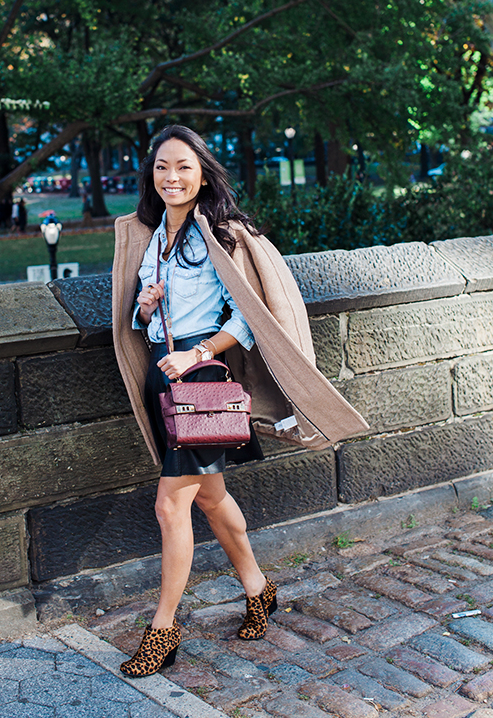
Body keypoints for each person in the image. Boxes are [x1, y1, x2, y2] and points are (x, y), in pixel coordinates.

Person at [111, 125, 367, 678]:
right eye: (161, 167)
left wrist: (197, 351)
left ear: (202, 170)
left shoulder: (220, 233)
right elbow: (144, 320)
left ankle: (163, 630)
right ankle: (259, 588)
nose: (171, 177)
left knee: (169, 506)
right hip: (165, 376)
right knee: (208, 498)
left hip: (201, 379)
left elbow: (251, 314)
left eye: (182, 166)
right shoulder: (154, 235)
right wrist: (148, 307)